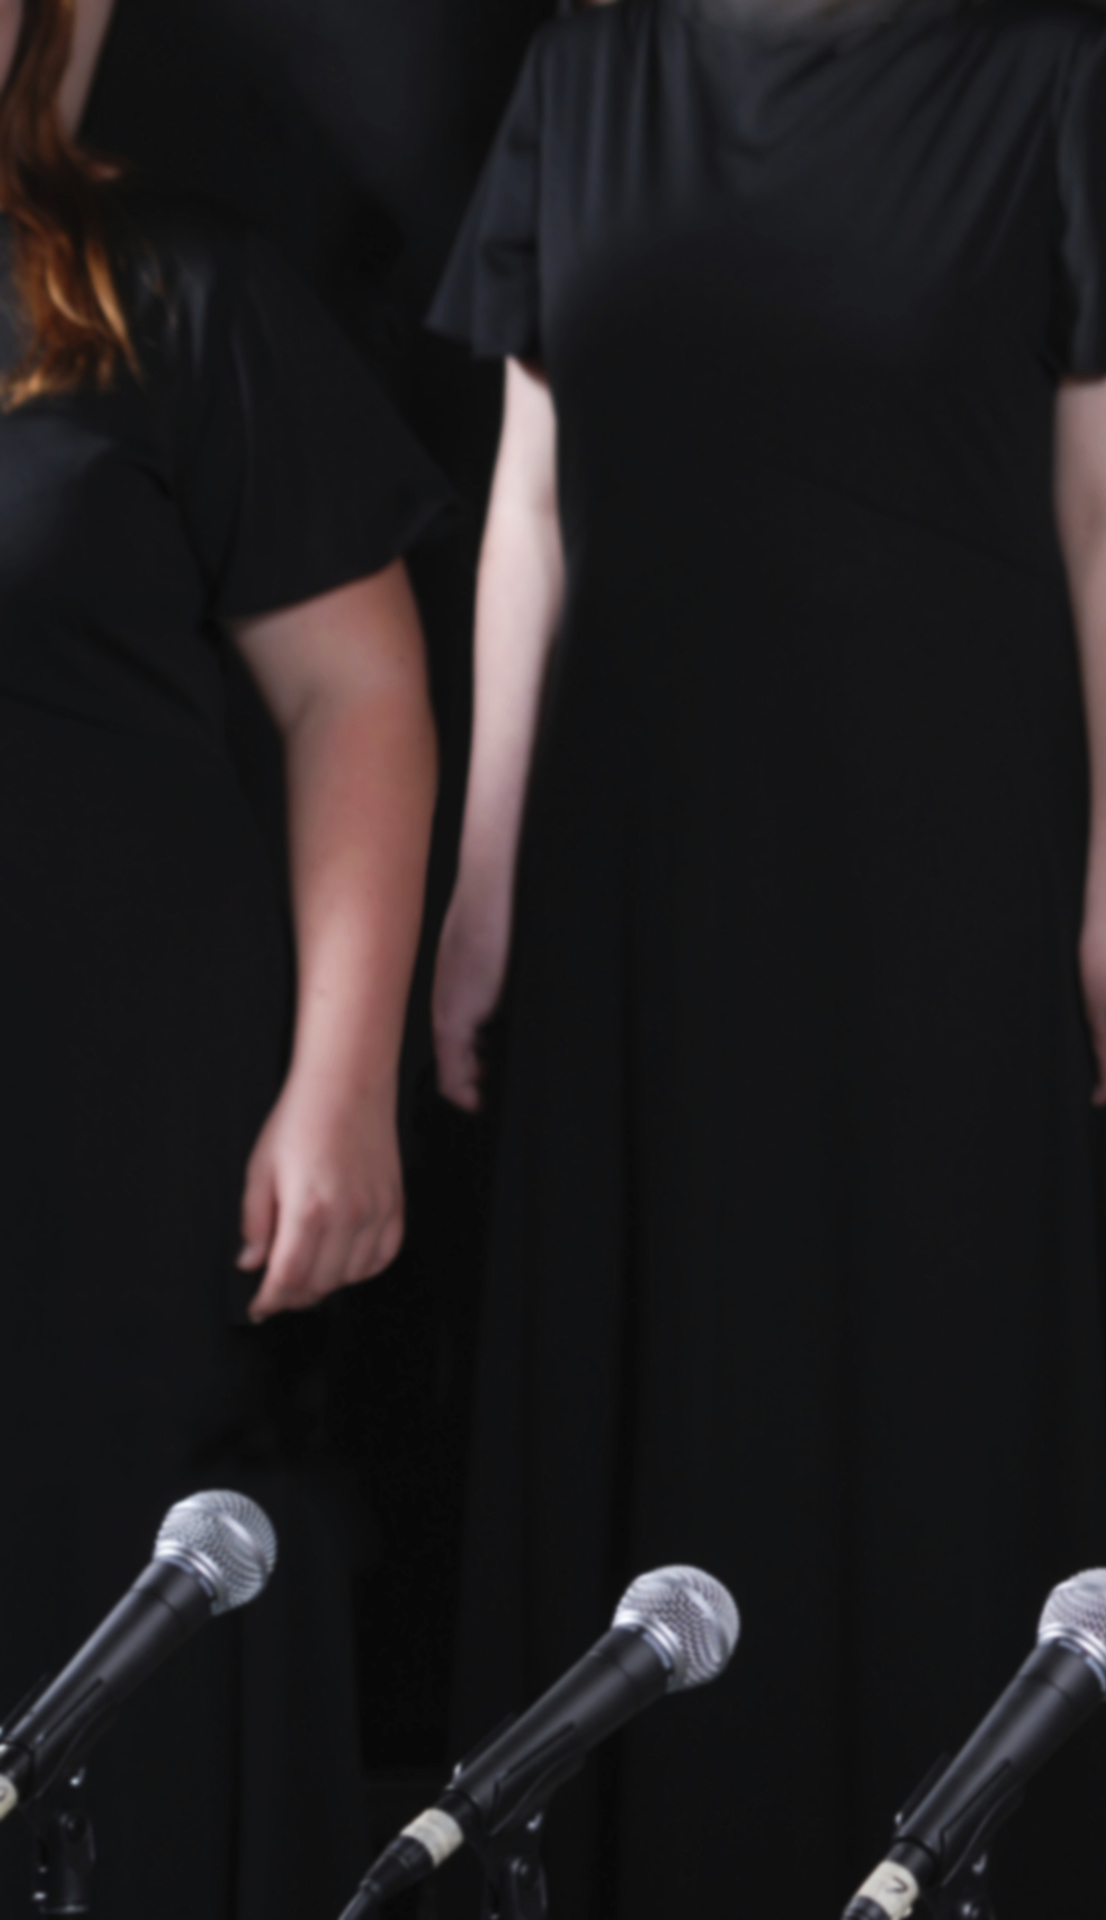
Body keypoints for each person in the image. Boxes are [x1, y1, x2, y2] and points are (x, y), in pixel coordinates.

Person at [422, 0, 1106, 1910]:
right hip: (635, 854)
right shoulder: (584, 75)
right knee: (655, 1373)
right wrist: (486, 877)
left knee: (938, 1384)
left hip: (948, 860)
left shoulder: (1070, 80)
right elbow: (529, 507)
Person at [0, 0, 446, 1910]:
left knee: (118, 1631)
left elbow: (361, 695)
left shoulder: (172, 293)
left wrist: (343, 1083)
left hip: (122, 1142)